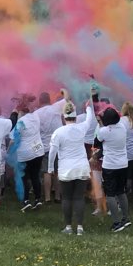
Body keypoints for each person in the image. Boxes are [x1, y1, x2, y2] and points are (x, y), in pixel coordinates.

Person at [47, 100, 94, 235]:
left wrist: (50, 168)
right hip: (81, 167)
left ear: (64, 116)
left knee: (66, 198)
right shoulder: (81, 128)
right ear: (75, 116)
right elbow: (90, 120)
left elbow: (52, 152)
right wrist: (88, 108)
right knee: (79, 197)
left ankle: (68, 227)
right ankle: (80, 228)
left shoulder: (58, 132)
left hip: (66, 169)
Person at [95, 106, 131, 232]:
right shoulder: (122, 127)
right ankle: (126, 218)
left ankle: (116, 222)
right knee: (121, 192)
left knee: (110, 194)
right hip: (123, 164)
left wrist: (99, 121)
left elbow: (97, 141)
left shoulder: (104, 131)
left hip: (110, 166)